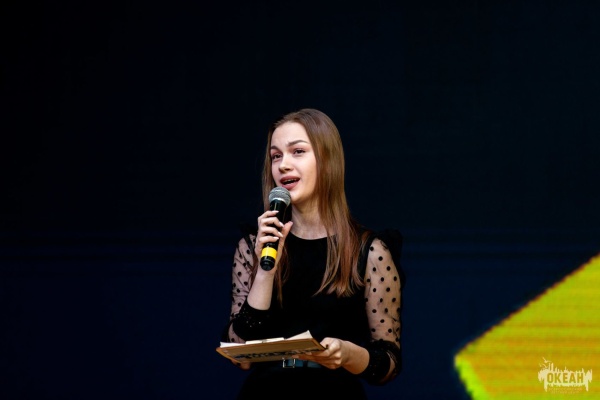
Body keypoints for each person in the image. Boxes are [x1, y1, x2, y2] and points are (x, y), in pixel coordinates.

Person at [221, 108, 405, 399]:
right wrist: (266, 271)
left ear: (327, 160)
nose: (283, 165)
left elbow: (389, 364)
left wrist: (349, 354)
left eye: (297, 152)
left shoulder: (369, 251)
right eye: (276, 156)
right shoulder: (254, 247)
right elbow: (239, 354)